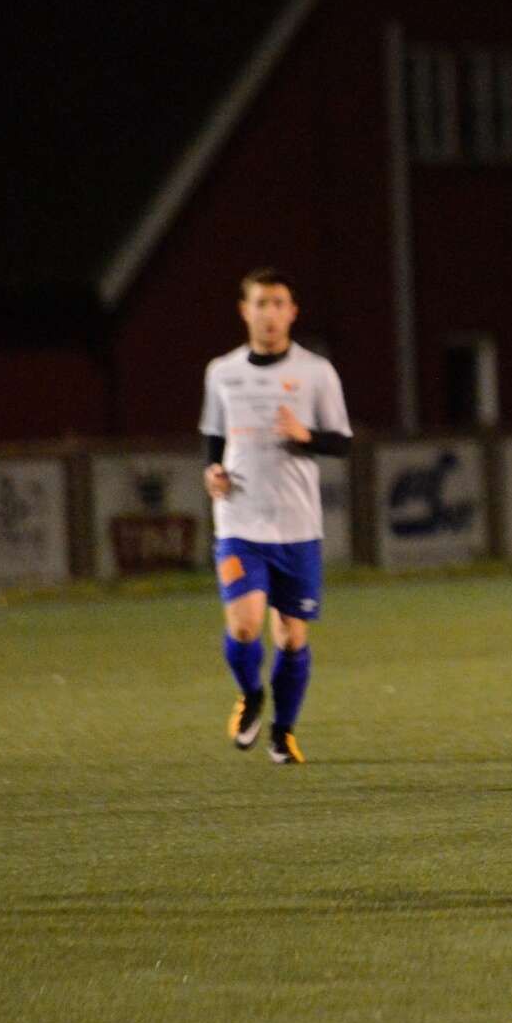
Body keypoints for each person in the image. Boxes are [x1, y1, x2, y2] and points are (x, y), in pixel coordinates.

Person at [199, 268, 352, 763]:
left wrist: (306, 436)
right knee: (245, 626)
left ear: (292, 312)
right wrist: (212, 471)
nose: (269, 313)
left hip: (296, 526)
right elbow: (214, 437)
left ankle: (282, 733)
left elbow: (342, 443)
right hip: (238, 521)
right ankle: (251, 695)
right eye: (260, 303)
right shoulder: (222, 371)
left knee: (291, 635)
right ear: (245, 311)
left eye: (278, 303)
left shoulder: (316, 372)